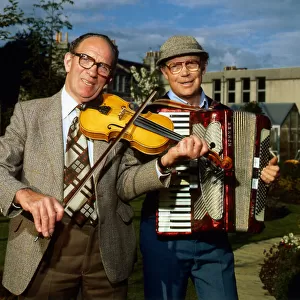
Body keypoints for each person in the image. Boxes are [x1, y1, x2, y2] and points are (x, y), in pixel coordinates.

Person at [0, 33, 208, 299]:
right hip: (43, 245)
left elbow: (125, 183)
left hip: (105, 249)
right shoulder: (30, 114)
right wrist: (24, 195)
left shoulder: (120, 118)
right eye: (86, 59)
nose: (92, 71)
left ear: (109, 77)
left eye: (103, 66)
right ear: (68, 61)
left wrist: (164, 163)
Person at [139, 35, 280, 300]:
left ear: (203, 67)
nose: (184, 73)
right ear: (164, 72)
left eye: (191, 64)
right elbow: (129, 180)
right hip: (163, 237)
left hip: (214, 237)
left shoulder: (227, 117)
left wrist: (262, 178)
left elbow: (244, 178)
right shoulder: (149, 117)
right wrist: (164, 162)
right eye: (175, 66)